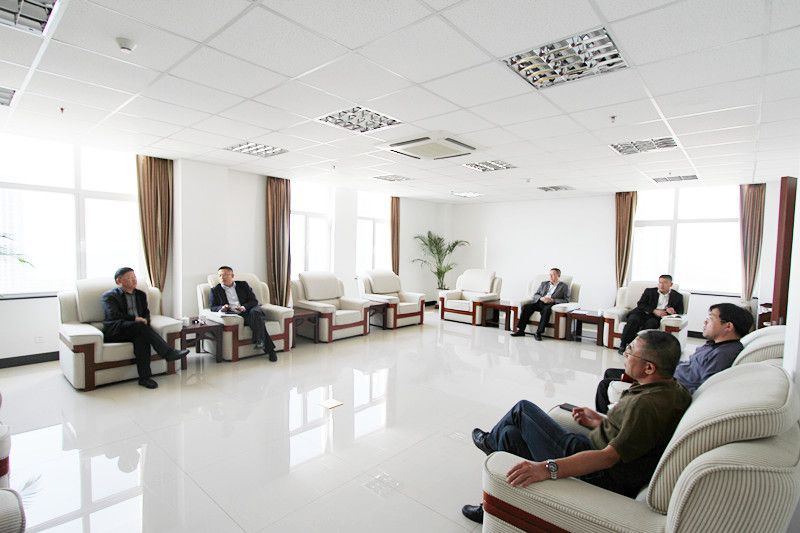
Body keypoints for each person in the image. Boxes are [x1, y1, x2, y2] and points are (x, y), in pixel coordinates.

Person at [462, 330, 691, 525]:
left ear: (649, 368)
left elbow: (607, 458)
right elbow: (635, 435)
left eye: (631, 351)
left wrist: (547, 468)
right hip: (596, 451)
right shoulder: (672, 390)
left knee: (522, 410)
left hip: (596, 471)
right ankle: (493, 505)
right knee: (510, 435)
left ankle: (490, 445)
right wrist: (599, 421)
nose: (626, 354)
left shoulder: (647, 405)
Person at [595, 302, 753, 413]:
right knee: (610, 372)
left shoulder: (723, 355)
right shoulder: (715, 345)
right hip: (666, 376)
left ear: (728, 326)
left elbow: (701, 391)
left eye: (711, 318)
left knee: (605, 385)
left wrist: (655, 381)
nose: (705, 321)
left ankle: (609, 427)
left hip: (664, 384)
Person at [102, 267, 189, 389]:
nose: (134, 280)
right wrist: (135, 319)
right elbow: (113, 315)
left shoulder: (140, 295)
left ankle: (145, 378)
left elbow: (146, 314)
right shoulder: (109, 296)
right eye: (129, 278)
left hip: (137, 329)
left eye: (134, 277)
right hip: (117, 330)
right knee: (140, 326)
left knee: (141, 338)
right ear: (119, 281)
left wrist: (145, 321)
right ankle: (168, 353)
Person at [209, 266, 277, 362]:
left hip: (249, 310)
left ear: (232, 276)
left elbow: (254, 301)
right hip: (235, 315)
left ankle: (261, 342)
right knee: (258, 321)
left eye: (225, 275)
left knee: (255, 313)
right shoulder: (215, 290)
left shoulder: (243, 285)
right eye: (220, 275)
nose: (222, 278)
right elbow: (212, 307)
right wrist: (222, 308)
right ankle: (269, 349)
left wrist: (243, 307)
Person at [617, 275, 684, 354]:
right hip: (642, 312)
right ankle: (623, 345)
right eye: (660, 282)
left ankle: (638, 345)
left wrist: (673, 311)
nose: (661, 285)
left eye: (665, 283)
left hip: (656, 318)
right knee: (633, 319)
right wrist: (654, 310)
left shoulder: (678, 296)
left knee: (651, 324)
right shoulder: (649, 291)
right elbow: (640, 304)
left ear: (671, 284)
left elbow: (681, 311)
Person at [511, 268, 569, 341]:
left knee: (546, 311)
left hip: (550, 304)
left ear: (558, 275)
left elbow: (566, 300)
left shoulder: (564, 286)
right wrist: (541, 298)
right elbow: (536, 294)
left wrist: (553, 300)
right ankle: (521, 331)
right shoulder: (544, 283)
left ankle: (538, 333)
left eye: (553, 274)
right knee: (526, 307)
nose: (550, 276)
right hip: (540, 302)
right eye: (550, 274)